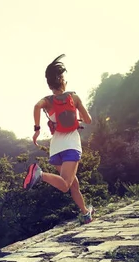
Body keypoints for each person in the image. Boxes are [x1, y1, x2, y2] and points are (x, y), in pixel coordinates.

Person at [23, 54, 94, 224]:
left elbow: (36, 106)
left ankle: (85, 213)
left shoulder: (47, 101)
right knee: (65, 185)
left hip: (55, 149)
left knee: (73, 184)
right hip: (71, 146)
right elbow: (89, 120)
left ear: (49, 84)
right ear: (63, 81)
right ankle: (39, 174)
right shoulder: (74, 98)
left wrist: (37, 129)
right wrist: (77, 119)